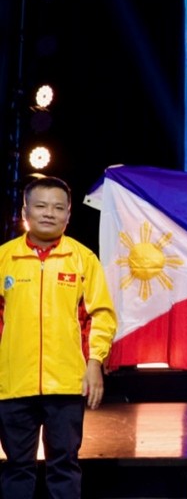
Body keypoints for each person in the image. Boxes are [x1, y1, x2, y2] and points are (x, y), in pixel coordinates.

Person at [0, 176, 118, 498]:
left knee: (64, 465)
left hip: (66, 383)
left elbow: (101, 315)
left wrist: (95, 363)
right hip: (13, 383)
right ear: (25, 211)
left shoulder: (83, 259)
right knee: (16, 467)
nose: (49, 213)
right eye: (41, 206)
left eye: (58, 207)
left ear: (68, 214)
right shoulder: (4, 258)